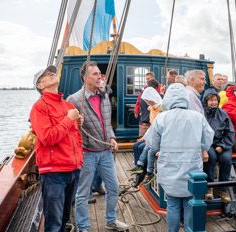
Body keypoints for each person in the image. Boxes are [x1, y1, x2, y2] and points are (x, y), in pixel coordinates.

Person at [67, 61, 129, 232]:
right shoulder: (73, 100)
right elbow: (69, 130)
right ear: (85, 77)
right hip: (86, 153)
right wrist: (77, 123)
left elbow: (107, 123)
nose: (99, 76)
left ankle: (110, 221)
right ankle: (83, 227)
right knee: (82, 194)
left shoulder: (104, 96)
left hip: (105, 152)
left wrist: (112, 138)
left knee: (113, 188)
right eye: (95, 74)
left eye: (100, 73)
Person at [146, 83, 214, 232]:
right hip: (192, 168)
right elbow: (208, 138)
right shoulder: (198, 117)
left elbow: (152, 142)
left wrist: (159, 148)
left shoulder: (162, 117)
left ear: (168, 98)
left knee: (172, 204)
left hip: (169, 168)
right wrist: (202, 148)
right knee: (191, 203)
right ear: (185, 98)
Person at [30, 65, 83, 232]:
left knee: (64, 220)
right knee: (53, 224)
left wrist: (77, 123)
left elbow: (75, 137)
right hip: (54, 173)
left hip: (73, 170)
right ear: (40, 85)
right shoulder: (39, 107)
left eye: (52, 72)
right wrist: (68, 120)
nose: (52, 73)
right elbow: (47, 137)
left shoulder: (67, 105)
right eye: (46, 74)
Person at [202, 88, 235, 203]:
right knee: (211, 157)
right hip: (208, 143)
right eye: (210, 100)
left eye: (215, 100)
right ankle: (209, 187)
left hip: (222, 143)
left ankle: (222, 189)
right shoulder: (202, 113)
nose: (213, 102)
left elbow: (230, 132)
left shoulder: (223, 114)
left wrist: (222, 145)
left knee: (226, 159)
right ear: (206, 101)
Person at [129, 87, 163, 185]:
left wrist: (147, 138)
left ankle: (144, 173)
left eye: (147, 100)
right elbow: (152, 126)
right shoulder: (152, 108)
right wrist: (144, 137)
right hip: (152, 135)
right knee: (136, 145)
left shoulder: (160, 109)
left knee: (142, 147)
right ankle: (139, 169)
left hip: (157, 137)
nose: (146, 102)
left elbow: (157, 127)